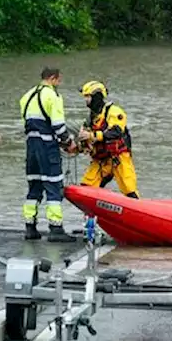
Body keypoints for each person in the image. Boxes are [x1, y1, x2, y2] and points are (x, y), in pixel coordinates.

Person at [19, 67, 76, 242]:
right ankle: (55, 228)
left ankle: (30, 227)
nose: (59, 84)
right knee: (53, 185)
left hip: (31, 146)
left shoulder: (26, 96)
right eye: (59, 80)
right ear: (52, 79)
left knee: (34, 187)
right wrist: (68, 142)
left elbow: (27, 124)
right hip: (47, 147)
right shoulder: (53, 96)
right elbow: (58, 125)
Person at [75, 81, 140, 199]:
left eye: (88, 97)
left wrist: (92, 136)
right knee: (87, 188)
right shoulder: (90, 118)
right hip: (102, 160)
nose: (86, 100)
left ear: (97, 97)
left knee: (129, 190)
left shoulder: (114, 111)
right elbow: (87, 140)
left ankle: (140, 211)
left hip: (118, 158)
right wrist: (80, 146)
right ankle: (93, 215)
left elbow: (115, 132)